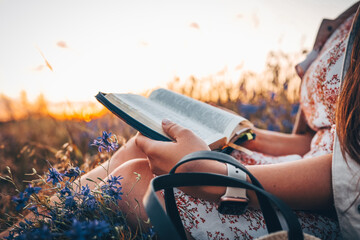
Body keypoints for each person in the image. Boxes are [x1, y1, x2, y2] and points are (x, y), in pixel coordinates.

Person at [1, 2, 359, 240]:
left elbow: (350, 174)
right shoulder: (346, 18)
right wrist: (238, 133)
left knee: (132, 180)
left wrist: (217, 177)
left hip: (326, 204)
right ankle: (23, 228)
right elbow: (321, 139)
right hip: (303, 166)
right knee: (138, 147)